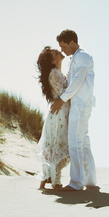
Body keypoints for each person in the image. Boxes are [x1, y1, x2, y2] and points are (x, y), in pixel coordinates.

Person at [50, 29, 97, 191]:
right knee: (83, 142)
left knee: (75, 142)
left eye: (63, 46)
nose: (62, 50)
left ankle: (76, 183)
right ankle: (90, 181)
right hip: (79, 104)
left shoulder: (83, 56)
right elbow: (69, 80)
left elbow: (77, 81)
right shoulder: (75, 58)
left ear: (72, 42)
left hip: (81, 104)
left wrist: (61, 100)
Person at [36, 46, 71, 190]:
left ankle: (45, 181)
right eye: (56, 53)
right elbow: (63, 94)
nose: (60, 52)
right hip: (59, 115)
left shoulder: (57, 73)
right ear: (52, 60)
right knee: (58, 144)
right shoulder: (54, 73)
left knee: (54, 145)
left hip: (59, 114)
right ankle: (56, 183)